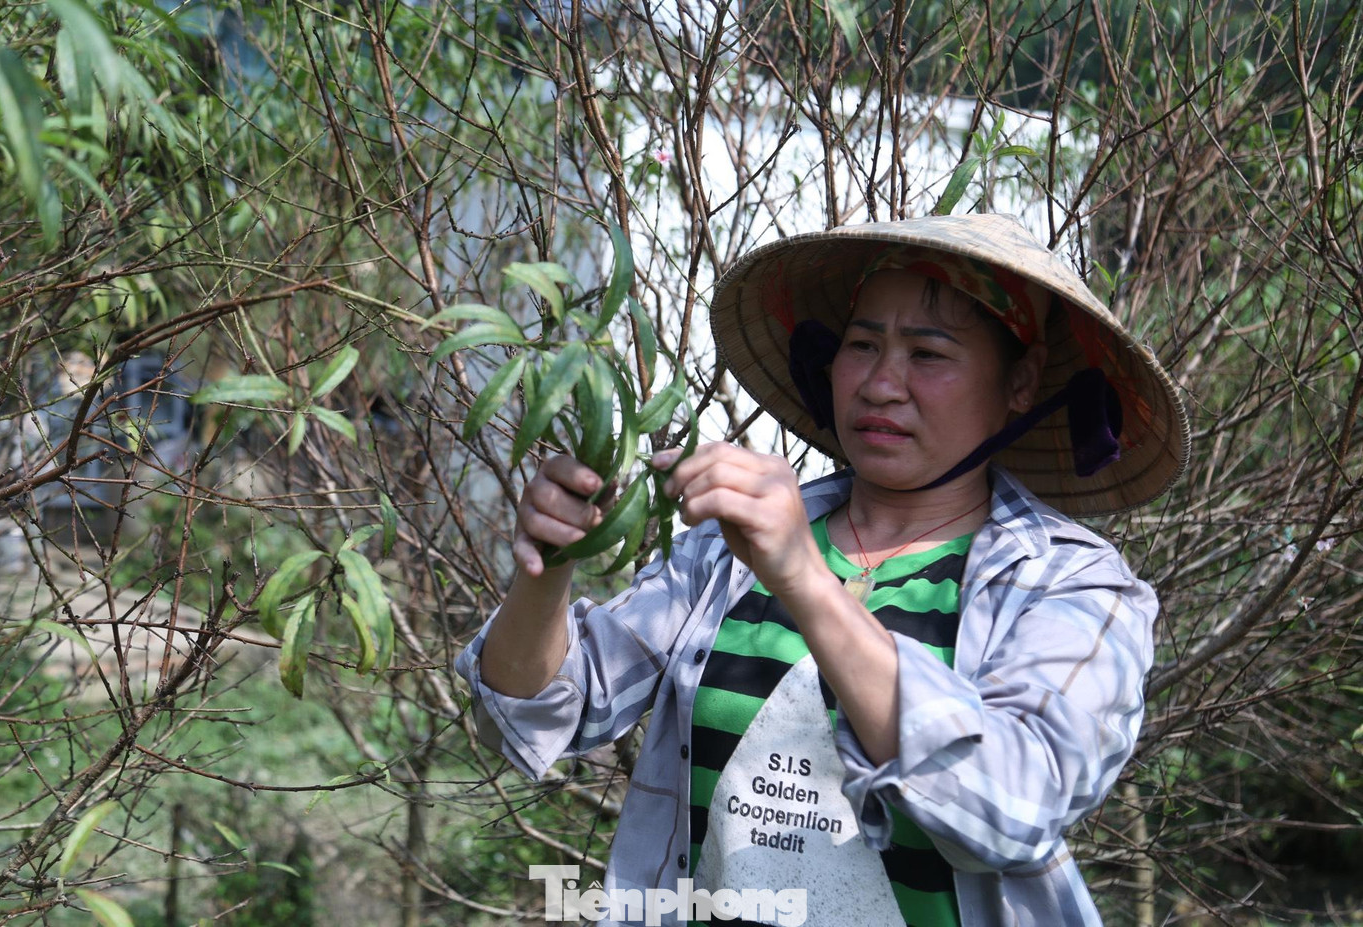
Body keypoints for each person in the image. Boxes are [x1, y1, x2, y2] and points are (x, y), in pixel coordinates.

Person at [455, 214, 1191, 926]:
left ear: (1020, 382)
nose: (881, 383)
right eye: (862, 344)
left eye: (928, 354)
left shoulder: (1072, 585)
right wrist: (548, 564)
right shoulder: (731, 549)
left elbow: (1012, 807)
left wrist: (807, 582)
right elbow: (529, 712)